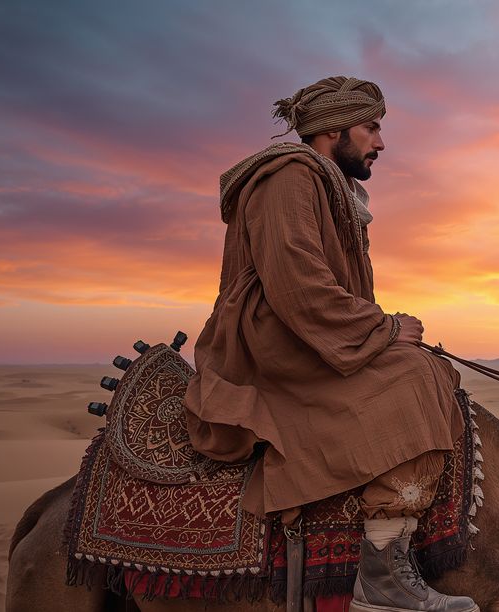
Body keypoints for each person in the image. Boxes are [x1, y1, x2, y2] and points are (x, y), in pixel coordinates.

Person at [183, 76, 478, 612]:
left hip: (310, 334)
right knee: (413, 378)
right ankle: (382, 573)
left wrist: (380, 331)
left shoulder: (325, 185)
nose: (381, 143)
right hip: (273, 342)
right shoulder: (289, 179)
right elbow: (298, 285)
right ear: (333, 129)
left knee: (429, 369)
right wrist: (383, 330)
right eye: (372, 128)